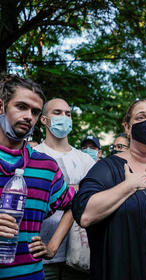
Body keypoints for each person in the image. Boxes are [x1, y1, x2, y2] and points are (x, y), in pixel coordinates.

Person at [72, 99, 146, 280]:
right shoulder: (108, 168)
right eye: (141, 117)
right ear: (128, 127)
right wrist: (129, 186)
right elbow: (85, 215)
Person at [0, 75, 75, 280]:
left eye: (34, 111)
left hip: (31, 274)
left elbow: (75, 204)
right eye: (21, 107)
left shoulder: (46, 166)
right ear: (1, 106)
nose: (28, 116)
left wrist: (51, 247)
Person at [34, 98, 95, 280]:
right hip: (41, 256)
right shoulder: (35, 156)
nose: (64, 117)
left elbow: (93, 200)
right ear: (44, 119)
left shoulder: (85, 160)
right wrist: (76, 190)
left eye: (68, 114)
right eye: (57, 113)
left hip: (78, 257)